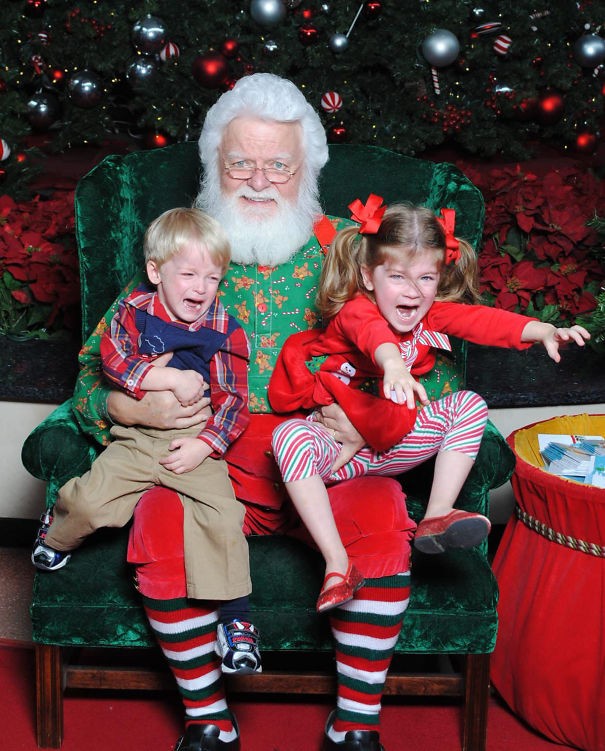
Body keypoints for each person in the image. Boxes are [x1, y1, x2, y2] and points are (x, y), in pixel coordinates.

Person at [67, 73, 450, 751]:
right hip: (208, 457)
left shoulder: (355, 255)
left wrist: (369, 416)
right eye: (240, 163)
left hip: (328, 459)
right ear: (213, 165)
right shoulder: (183, 258)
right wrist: (132, 408)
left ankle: (355, 724)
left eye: (279, 165)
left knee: (381, 520)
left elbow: (430, 359)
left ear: (307, 171)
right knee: (161, 524)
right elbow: (89, 380)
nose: (259, 180)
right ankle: (208, 719)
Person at [268, 200, 591, 613]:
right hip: (338, 451)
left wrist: (542, 329)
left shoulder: (431, 316)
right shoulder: (355, 310)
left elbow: (481, 321)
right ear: (367, 276)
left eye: (426, 277)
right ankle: (337, 564)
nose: (413, 291)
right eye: (397, 277)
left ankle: (437, 514)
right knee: (287, 435)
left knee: (469, 404)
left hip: (394, 445)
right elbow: (372, 335)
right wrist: (393, 366)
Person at [32, 208, 255, 634]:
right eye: (189, 275)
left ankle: (236, 621)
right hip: (134, 437)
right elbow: (113, 361)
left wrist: (205, 445)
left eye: (213, 278)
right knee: (91, 503)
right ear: (155, 272)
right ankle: (55, 532)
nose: (202, 287)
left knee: (224, 514)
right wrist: (169, 378)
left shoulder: (225, 330)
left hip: (193, 441)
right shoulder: (132, 312)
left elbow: (233, 401)